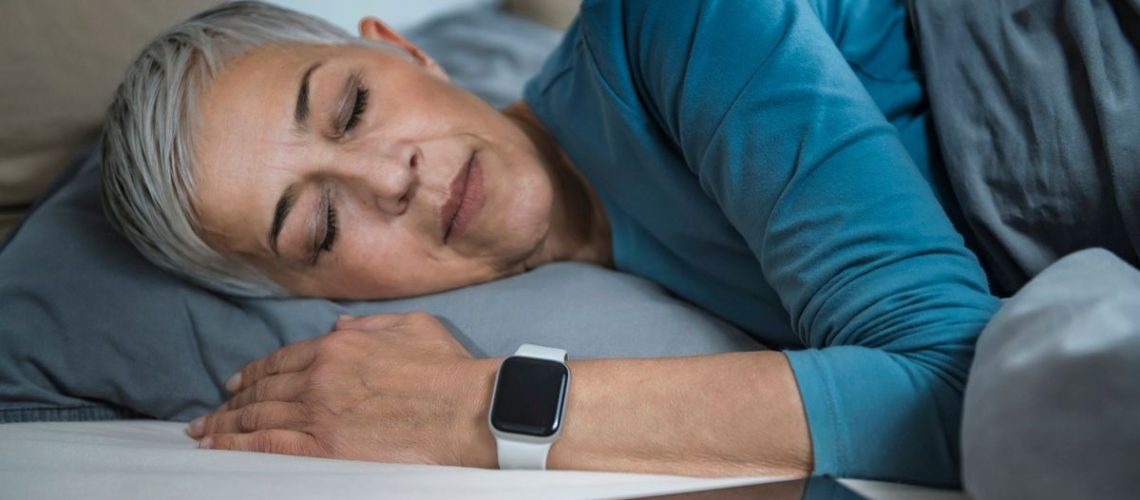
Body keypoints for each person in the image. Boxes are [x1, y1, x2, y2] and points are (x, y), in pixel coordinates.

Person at [100, 0, 999, 485]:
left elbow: (975, 387)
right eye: (319, 225)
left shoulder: (675, 20)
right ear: (303, 295)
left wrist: (468, 410)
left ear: (404, 51)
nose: (388, 176)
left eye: (351, 108)